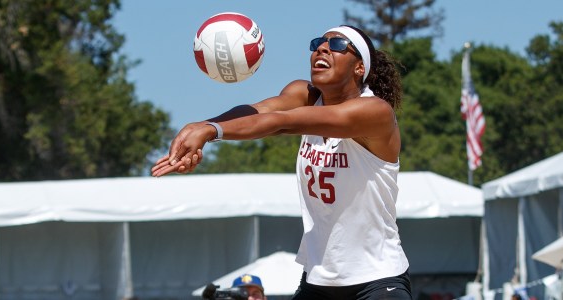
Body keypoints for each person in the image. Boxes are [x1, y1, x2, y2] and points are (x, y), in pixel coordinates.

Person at [152, 24, 412, 299]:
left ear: (360, 68)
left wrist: (212, 131)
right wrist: (203, 125)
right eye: (317, 43)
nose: (322, 48)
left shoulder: (375, 112)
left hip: (378, 280)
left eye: (336, 45)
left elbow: (281, 122)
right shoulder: (305, 94)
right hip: (318, 279)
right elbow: (261, 110)